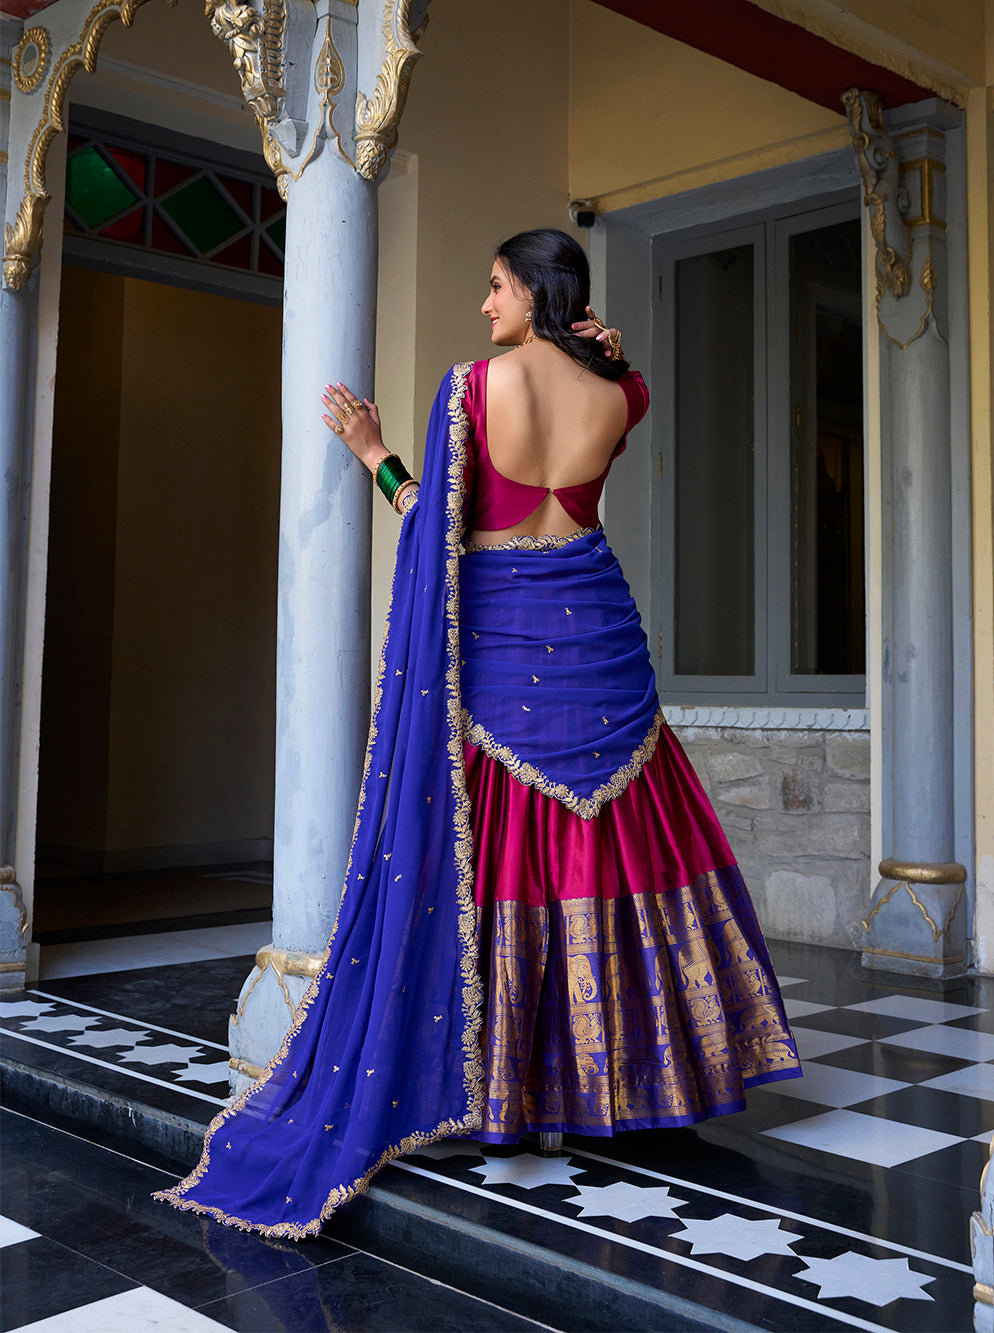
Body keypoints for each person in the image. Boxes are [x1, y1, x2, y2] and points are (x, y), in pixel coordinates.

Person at [154, 228, 801, 1239]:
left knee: (503, 850)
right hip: (597, 632)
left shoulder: (470, 388)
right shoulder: (623, 397)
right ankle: (621, 1080)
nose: (486, 302)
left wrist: (375, 456)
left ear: (536, 292)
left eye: (497, 285)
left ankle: (511, 1092)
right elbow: (620, 384)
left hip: (503, 638)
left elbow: (433, 529)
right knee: (610, 845)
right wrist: (606, 352)